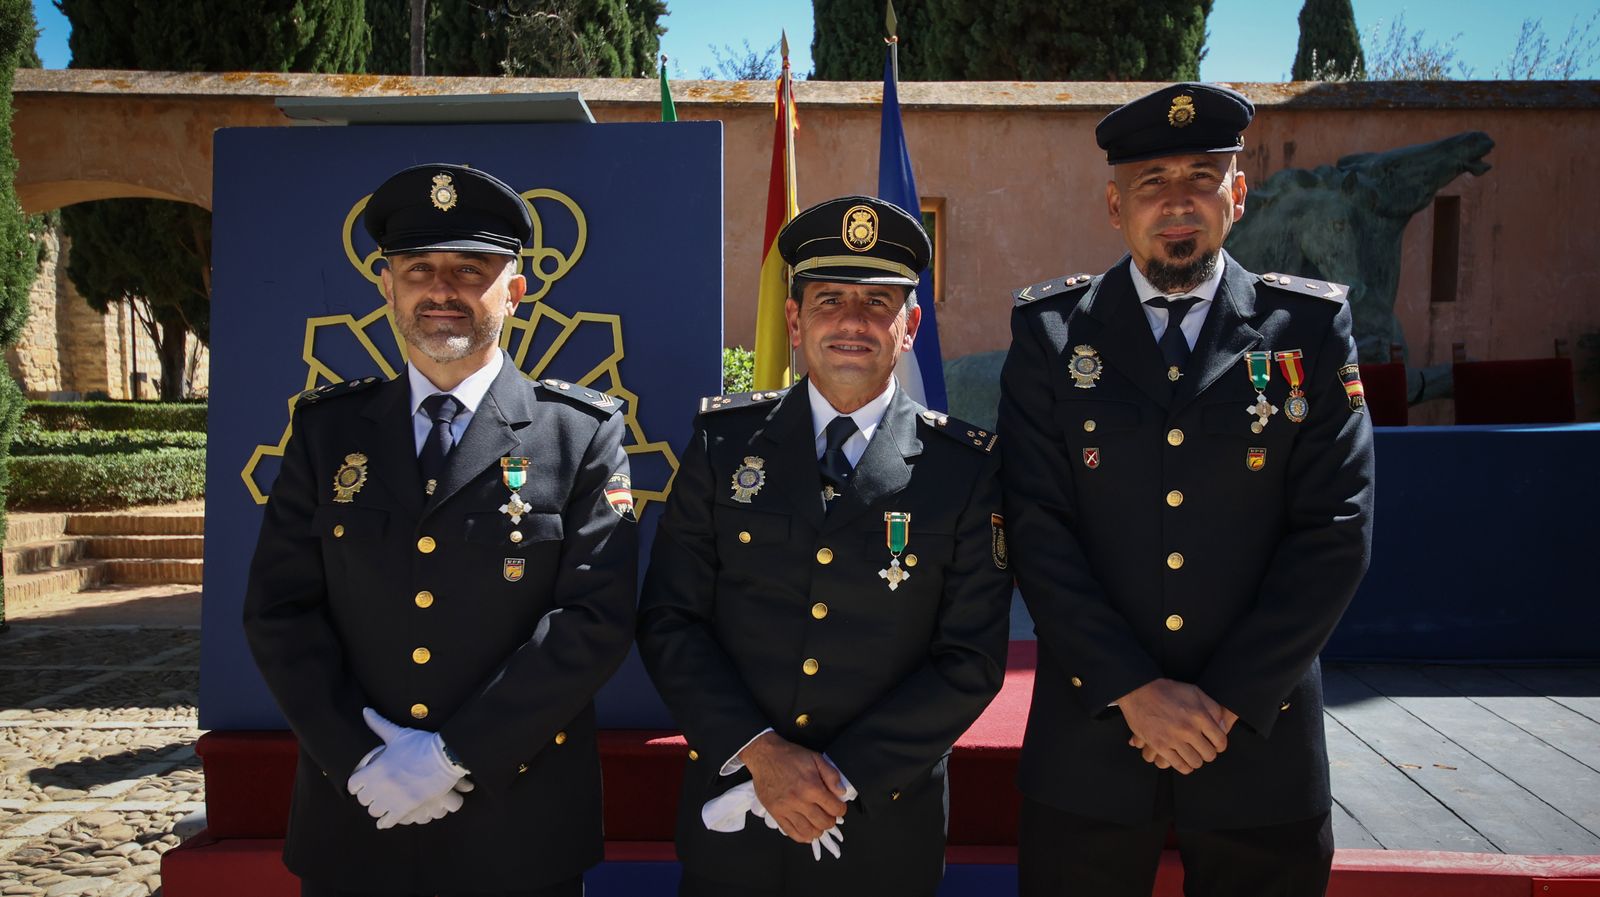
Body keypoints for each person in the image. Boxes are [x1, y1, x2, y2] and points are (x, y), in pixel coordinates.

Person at [999, 83, 1375, 897]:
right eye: (1150, 184)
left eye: (1201, 178)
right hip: (1091, 747)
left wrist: (1226, 702)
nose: (1178, 204)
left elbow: (1335, 530)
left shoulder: (1306, 330)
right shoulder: (1052, 335)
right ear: (1113, 204)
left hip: (1260, 750)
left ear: (1237, 194)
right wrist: (1134, 692)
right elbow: (1036, 527)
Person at [242, 162, 638, 897]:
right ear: (387, 288)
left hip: (517, 825)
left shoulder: (579, 433)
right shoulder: (327, 433)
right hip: (357, 816)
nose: (442, 289)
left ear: (515, 290)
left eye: (470, 268)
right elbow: (278, 609)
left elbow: (594, 619)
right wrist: (361, 759)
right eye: (418, 268)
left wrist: (453, 755)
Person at [637, 195, 1012, 897]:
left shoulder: (962, 468)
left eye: (878, 302)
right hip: (737, 814)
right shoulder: (724, 445)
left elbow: (970, 659)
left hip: (878, 825)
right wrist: (762, 754)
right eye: (830, 297)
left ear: (910, 327)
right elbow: (670, 619)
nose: (852, 320)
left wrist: (836, 776)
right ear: (794, 318)